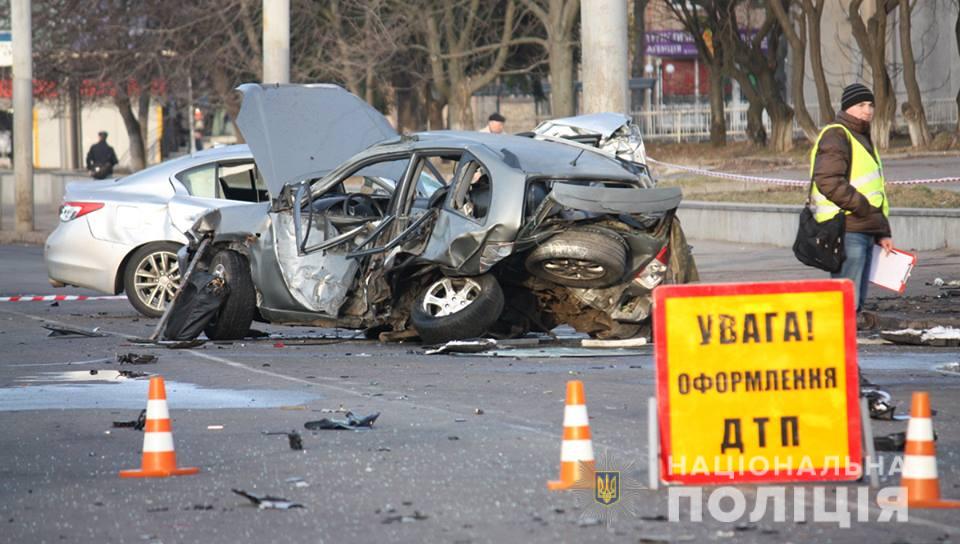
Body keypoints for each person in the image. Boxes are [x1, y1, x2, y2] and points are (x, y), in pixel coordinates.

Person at [809, 83, 893, 324]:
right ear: (847, 108)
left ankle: (848, 353)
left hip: (865, 228)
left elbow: (876, 191)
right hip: (847, 227)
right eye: (861, 105)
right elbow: (828, 180)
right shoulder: (837, 135)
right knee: (847, 303)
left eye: (870, 105)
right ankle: (840, 354)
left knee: (854, 301)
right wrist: (862, 207)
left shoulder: (862, 137)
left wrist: (882, 231)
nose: (868, 110)